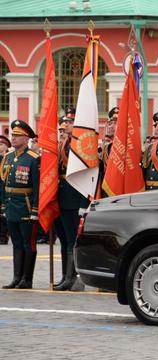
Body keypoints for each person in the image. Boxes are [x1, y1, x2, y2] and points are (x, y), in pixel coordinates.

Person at [0, 120, 40, 289]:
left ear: (26, 138)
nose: (14, 139)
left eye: (17, 136)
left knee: (27, 243)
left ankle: (27, 279)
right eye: (13, 135)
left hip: (26, 206)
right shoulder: (8, 158)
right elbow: (3, 182)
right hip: (10, 205)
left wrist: (35, 209)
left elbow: (38, 187)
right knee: (16, 242)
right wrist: (3, 205)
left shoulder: (33, 159)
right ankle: (17, 277)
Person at [53, 113, 88, 291]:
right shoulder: (62, 144)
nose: (66, 124)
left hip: (74, 199)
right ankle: (64, 276)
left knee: (72, 240)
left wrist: (84, 203)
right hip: (60, 198)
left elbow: (86, 175)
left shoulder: (80, 145)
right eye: (65, 121)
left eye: (70, 121)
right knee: (64, 239)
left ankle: (72, 278)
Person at [0, 134, 9, 245]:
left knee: (3, 216)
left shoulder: (8, 158)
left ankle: (3, 236)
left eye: (1, 144)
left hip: (5, 189)